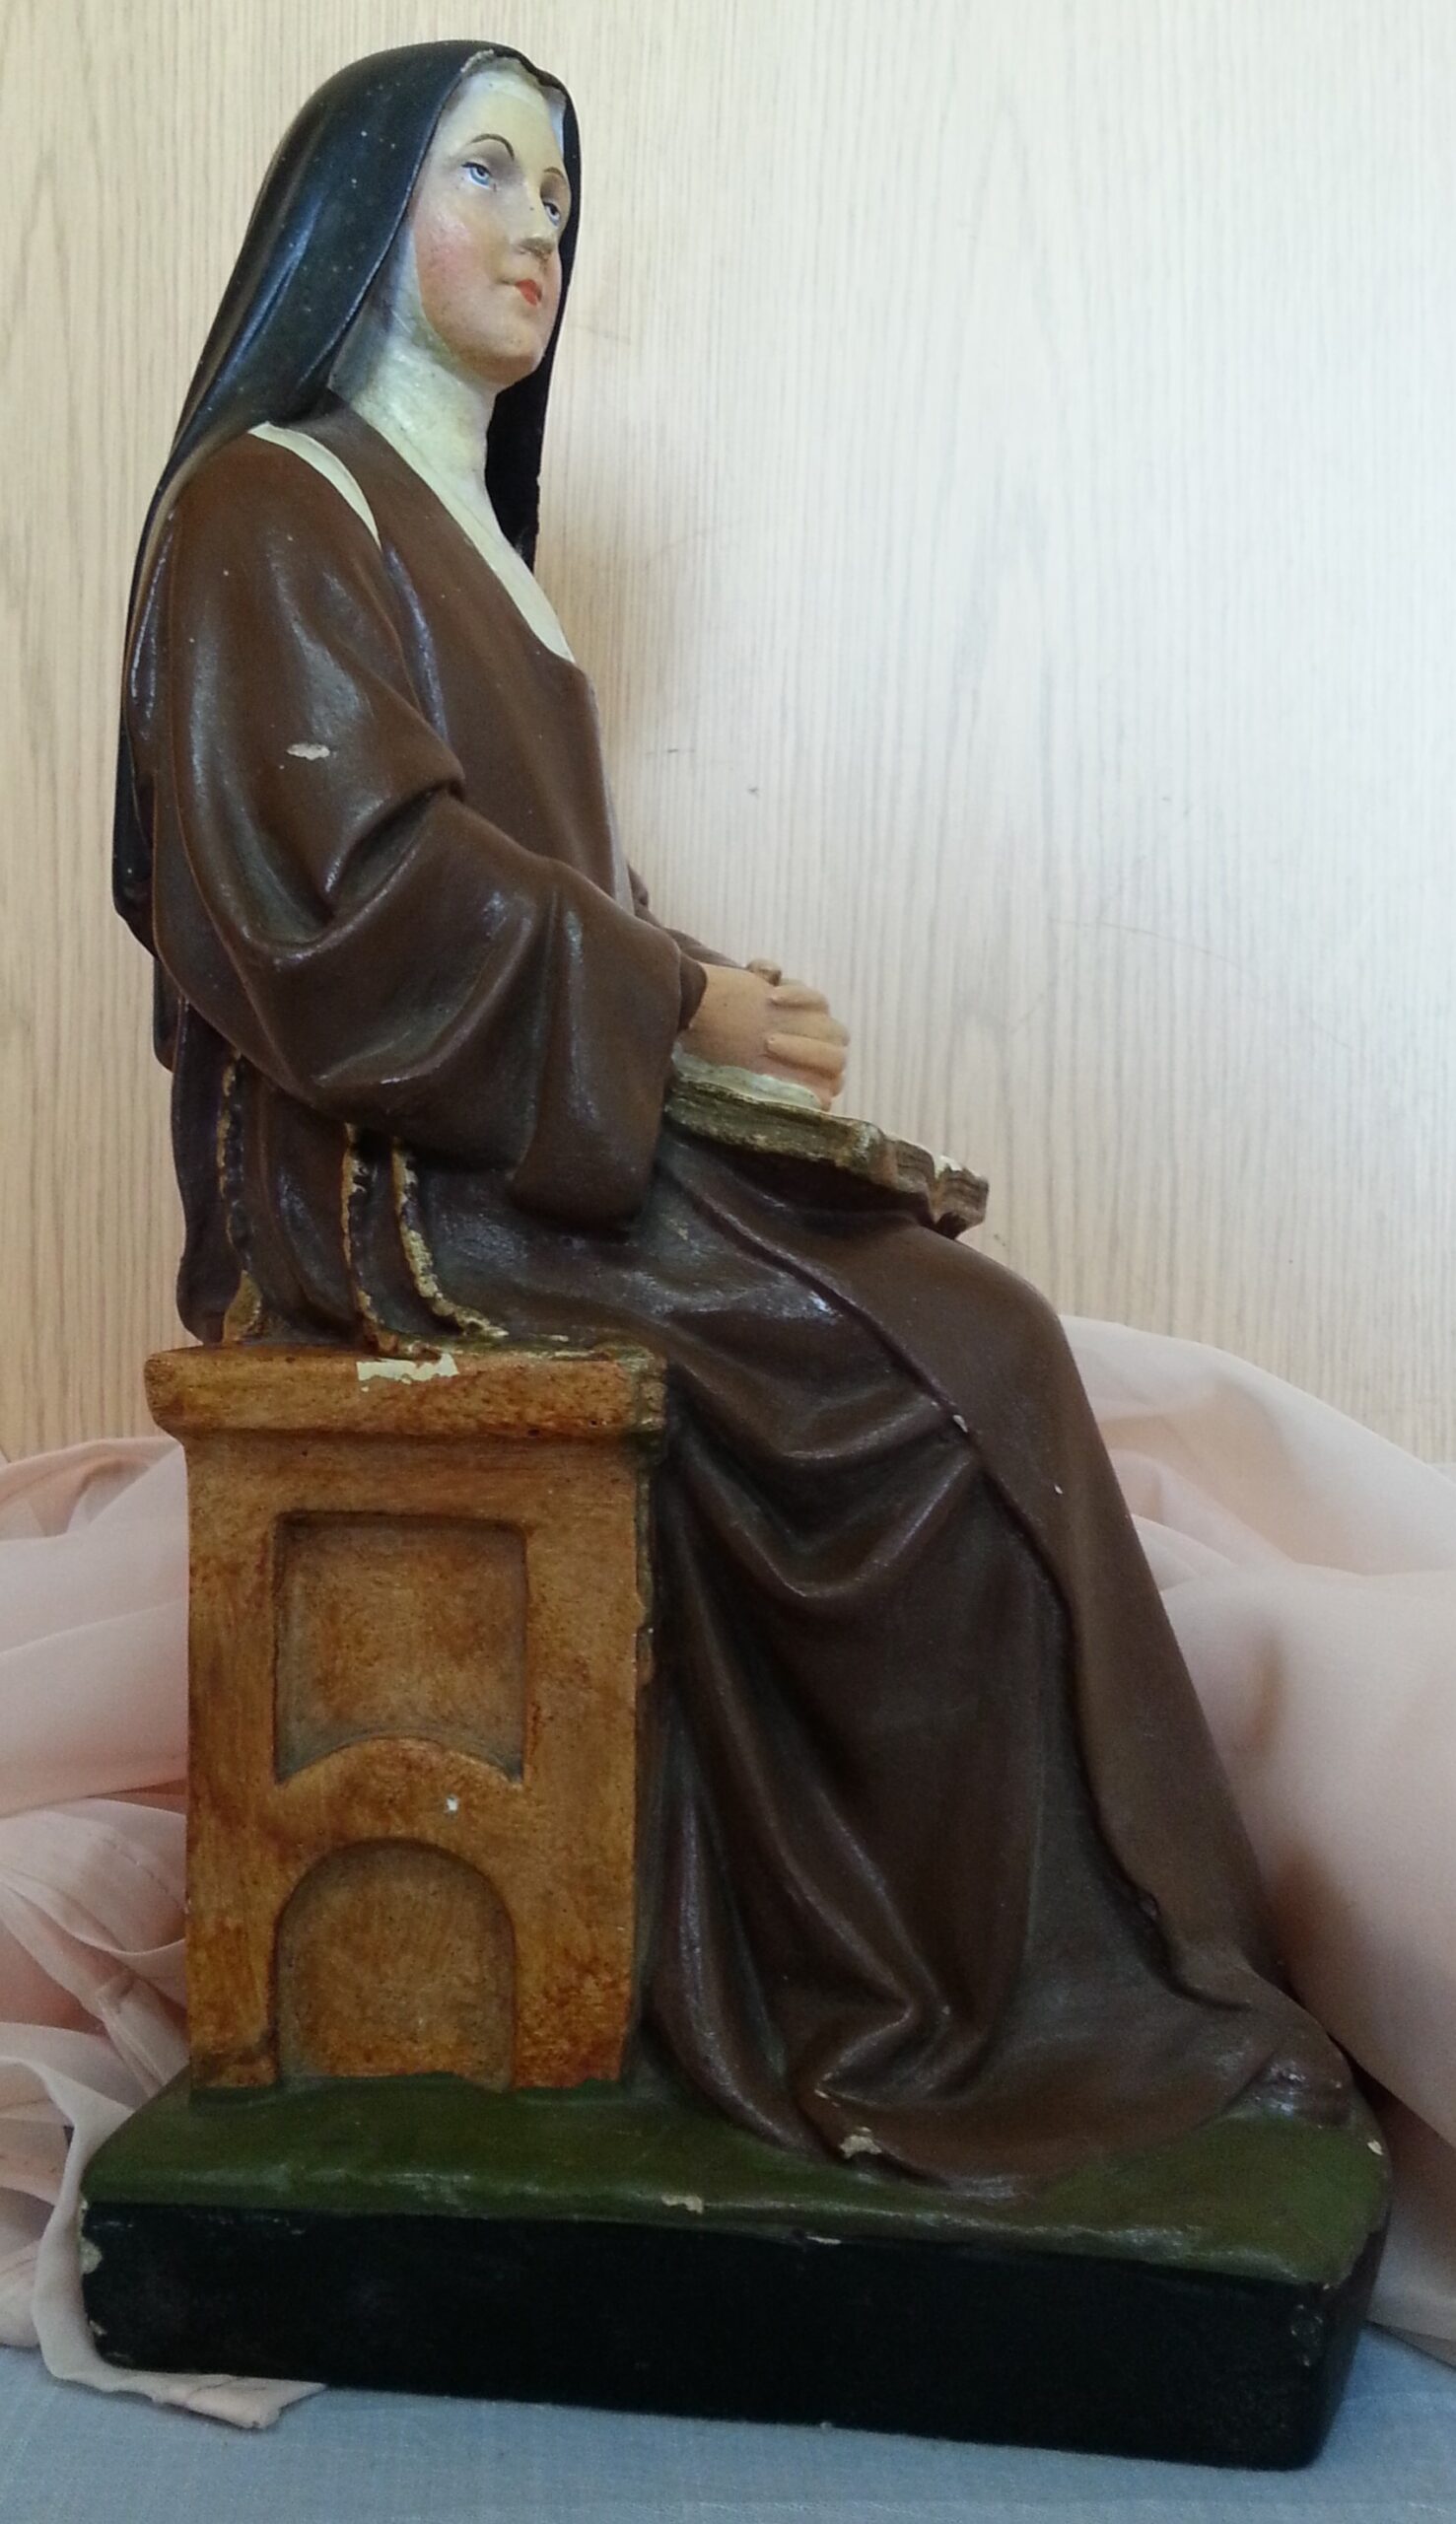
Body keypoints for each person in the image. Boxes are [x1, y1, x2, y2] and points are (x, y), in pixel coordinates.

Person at [114, 38, 1350, 2188]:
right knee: (926, 1376)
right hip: (385, 1189)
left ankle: (1058, 1980)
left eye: (558, 195)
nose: (537, 228)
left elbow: (529, 891)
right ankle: (933, 2005)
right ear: (352, 215)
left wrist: (712, 1027)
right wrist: (670, 1000)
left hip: (505, 1130)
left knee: (952, 1310)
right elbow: (348, 903)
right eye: (483, 173)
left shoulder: (475, 546)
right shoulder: (274, 503)